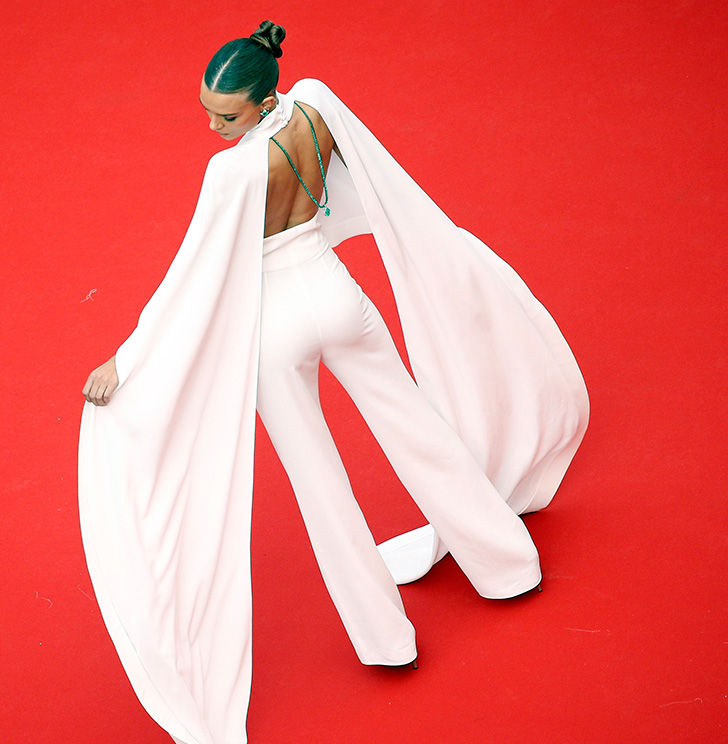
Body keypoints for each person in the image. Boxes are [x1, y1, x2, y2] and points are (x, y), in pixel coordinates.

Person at [78, 21, 588, 744]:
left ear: (260, 101)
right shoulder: (317, 102)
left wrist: (125, 358)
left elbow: (188, 276)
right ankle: (507, 563)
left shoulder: (230, 172)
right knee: (418, 429)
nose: (211, 125)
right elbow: (366, 181)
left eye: (226, 114)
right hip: (338, 294)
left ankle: (387, 639)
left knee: (322, 487)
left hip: (273, 328)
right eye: (207, 110)